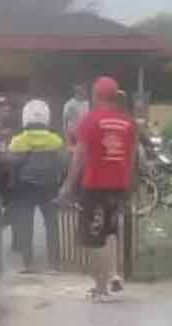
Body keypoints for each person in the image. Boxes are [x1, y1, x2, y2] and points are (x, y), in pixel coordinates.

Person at [58, 75, 137, 300]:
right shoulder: (128, 123)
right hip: (119, 186)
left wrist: (67, 185)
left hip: (95, 186)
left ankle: (101, 288)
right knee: (111, 232)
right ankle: (113, 275)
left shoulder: (90, 121)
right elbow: (131, 159)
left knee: (94, 238)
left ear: (96, 95)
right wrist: (128, 184)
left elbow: (80, 157)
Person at [6, 99, 65, 273]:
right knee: (52, 224)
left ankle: (27, 263)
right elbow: (63, 163)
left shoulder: (17, 141)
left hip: (25, 188)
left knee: (26, 223)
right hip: (49, 187)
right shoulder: (55, 141)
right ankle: (54, 263)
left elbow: (11, 167)